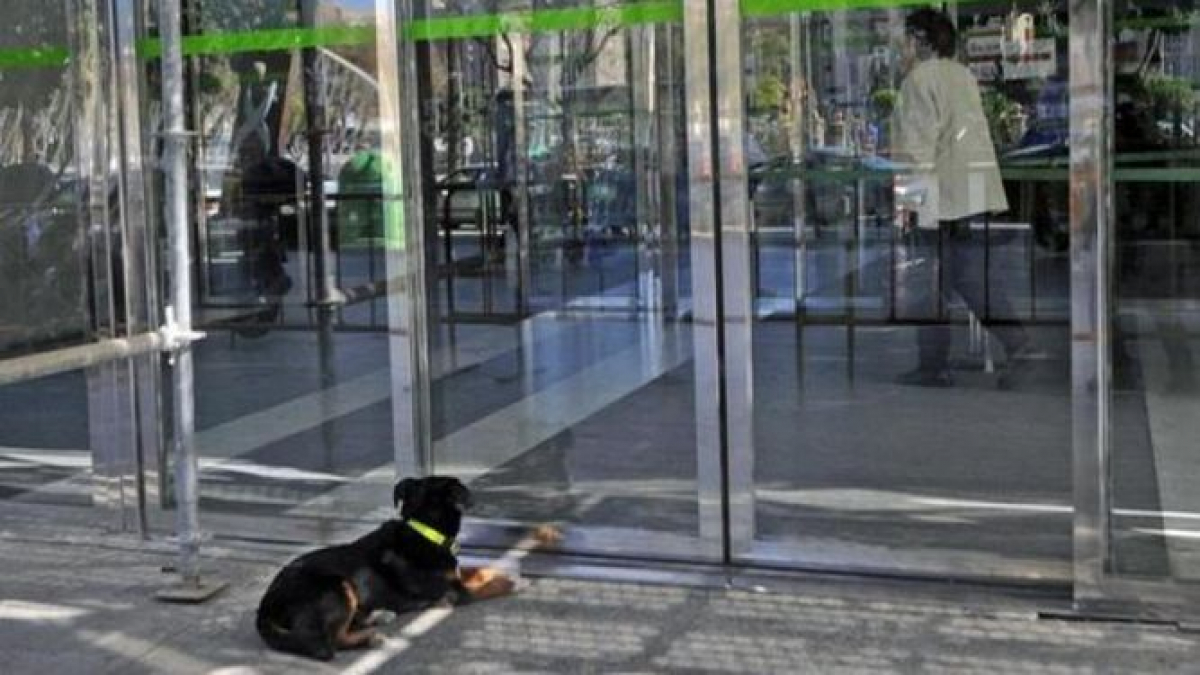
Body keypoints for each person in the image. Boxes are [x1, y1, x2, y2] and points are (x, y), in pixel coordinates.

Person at [891, 8, 1035, 388]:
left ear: (920, 41)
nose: (900, 46)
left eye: (905, 38)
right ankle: (1008, 344)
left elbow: (915, 151)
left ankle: (936, 366)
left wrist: (908, 205)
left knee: (932, 282)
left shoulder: (918, 81)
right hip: (970, 192)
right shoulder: (962, 75)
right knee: (965, 277)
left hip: (940, 198)